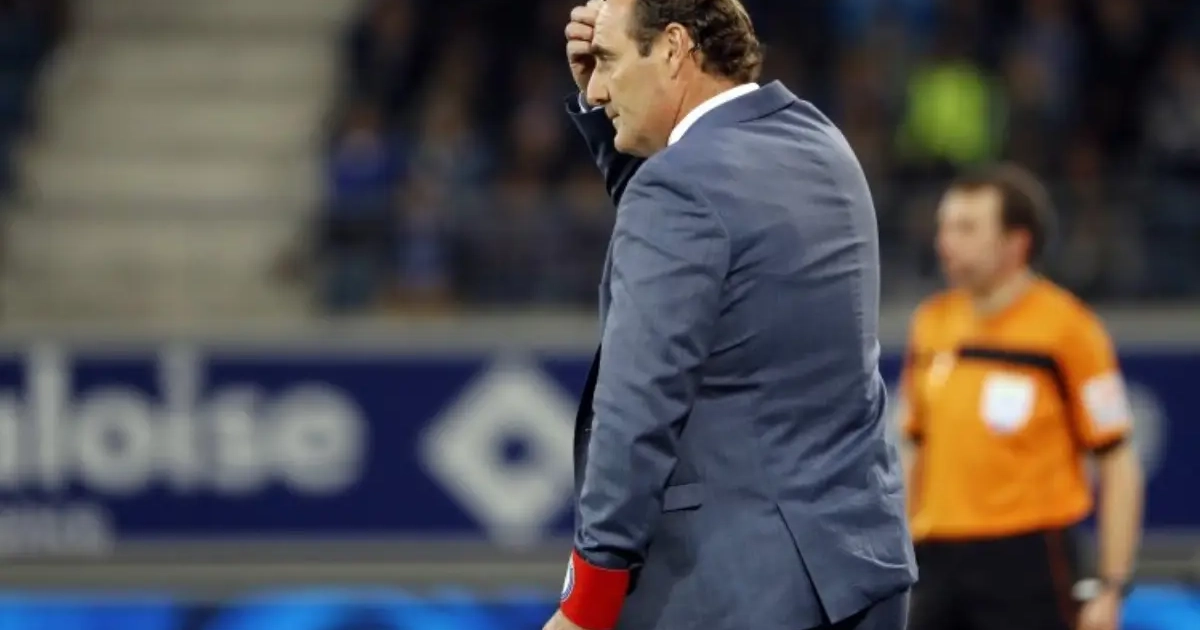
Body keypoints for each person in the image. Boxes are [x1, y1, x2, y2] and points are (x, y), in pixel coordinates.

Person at [544, 2, 917, 630]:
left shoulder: (677, 191)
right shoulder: (819, 140)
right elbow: (692, 207)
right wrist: (602, 115)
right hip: (858, 572)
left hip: (736, 589)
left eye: (608, 61)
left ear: (672, 47)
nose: (598, 88)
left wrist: (592, 593)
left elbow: (636, 406)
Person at [899, 164, 1144, 630]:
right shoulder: (930, 324)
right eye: (944, 227)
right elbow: (913, 445)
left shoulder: (1070, 330)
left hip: (1028, 561)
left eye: (967, 228)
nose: (945, 242)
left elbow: (1117, 459)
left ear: (1016, 243)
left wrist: (1112, 584)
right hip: (935, 559)